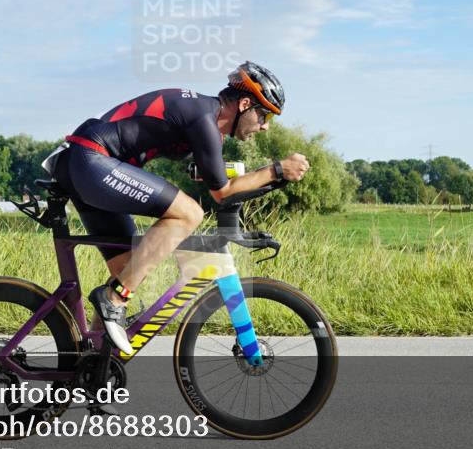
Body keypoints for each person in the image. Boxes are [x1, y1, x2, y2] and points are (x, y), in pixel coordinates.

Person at [44, 62, 309, 354]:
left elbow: (211, 174)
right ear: (245, 103)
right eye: (264, 114)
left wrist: (254, 175)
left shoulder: (207, 121)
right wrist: (276, 170)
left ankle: (92, 361)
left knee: (132, 264)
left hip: (87, 163)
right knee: (189, 213)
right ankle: (114, 301)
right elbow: (221, 192)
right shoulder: (203, 118)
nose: (265, 125)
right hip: (91, 160)